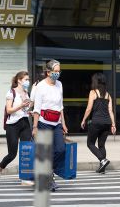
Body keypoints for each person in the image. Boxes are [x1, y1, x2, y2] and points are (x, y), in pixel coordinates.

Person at [32, 59, 68, 191]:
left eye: (59, 71)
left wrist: (63, 124)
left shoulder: (59, 85)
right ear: (48, 72)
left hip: (56, 122)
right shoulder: (40, 86)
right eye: (55, 71)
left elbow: (61, 106)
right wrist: (35, 127)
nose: (57, 74)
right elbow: (37, 108)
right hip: (43, 122)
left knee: (61, 149)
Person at [0, 71, 32, 185]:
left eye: (28, 80)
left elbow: (25, 109)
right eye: (26, 79)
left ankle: (25, 177)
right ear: (19, 80)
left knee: (26, 150)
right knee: (12, 154)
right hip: (13, 125)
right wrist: (21, 106)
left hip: (25, 123)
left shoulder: (26, 92)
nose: (27, 82)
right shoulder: (11, 93)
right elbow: (9, 110)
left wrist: (29, 111)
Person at [81, 73, 116, 174]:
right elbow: (110, 111)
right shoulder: (108, 95)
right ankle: (102, 168)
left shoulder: (93, 92)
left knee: (90, 143)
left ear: (95, 81)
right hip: (107, 123)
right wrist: (113, 124)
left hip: (96, 122)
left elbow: (88, 108)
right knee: (101, 145)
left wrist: (83, 120)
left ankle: (103, 160)